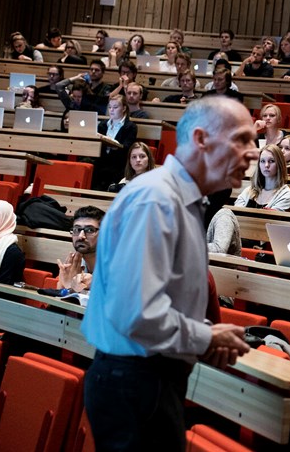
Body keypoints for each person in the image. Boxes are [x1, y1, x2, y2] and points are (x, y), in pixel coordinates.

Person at [83, 97, 254, 451]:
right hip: (137, 383)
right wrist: (204, 339)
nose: (252, 152)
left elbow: (160, 303)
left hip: (147, 381)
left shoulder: (183, 201)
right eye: (241, 139)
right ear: (202, 138)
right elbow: (137, 313)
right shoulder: (157, 200)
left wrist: (203, 334)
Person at [94, 95, 139, 191]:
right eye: (110, 107)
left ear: (124, 108)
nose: (111, 110)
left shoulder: (130, 127)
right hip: (101, 162)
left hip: (119, 163)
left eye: (115, 107)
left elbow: (127, 147)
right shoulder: (102, 125)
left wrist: (113, 144)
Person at [57, 206, 105, 292]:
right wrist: (67, 286)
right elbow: (57, 302)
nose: (80, 236)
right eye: (77, 229)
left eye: (90, 230)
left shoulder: (116, 266)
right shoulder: (73, 263)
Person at [235, 143, 290, 211]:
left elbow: (269, 220)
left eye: (271, 161)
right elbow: (236, 214)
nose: (266, 165)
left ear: (279, 164)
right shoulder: (248, 191)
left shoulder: (287, 195)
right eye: (262, 161)